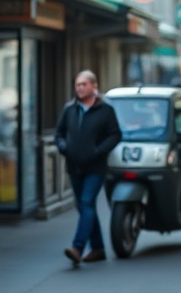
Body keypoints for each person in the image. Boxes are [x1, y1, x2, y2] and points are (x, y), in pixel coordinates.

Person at [55, 70, 122, 265]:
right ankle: (98, 249)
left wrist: (99, 150)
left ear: (94, 86)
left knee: (86, 203)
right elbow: (59, 133)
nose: (80, 88)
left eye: (84, 84)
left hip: (95, 167)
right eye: (77, 85)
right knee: (84, 206)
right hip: (74, 166)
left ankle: (78, 246)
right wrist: (62, 146)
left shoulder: (105, 110)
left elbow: (116, 135)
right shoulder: (70, 109)